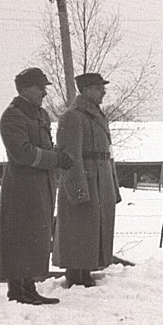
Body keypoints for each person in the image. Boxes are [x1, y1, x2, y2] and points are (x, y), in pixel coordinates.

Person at [0, 67, 72, 305]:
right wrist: (55, 159)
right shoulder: (13, 116)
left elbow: (44, 146)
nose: (44, 93)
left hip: (41, 183)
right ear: (27, 88)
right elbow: (22, 153)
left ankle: (28, 287)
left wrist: (58, 155)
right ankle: (17, 290)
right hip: (21, 184)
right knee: (20, 234)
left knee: (35, 235)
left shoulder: (39, 115)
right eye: (41, 88)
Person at [54, 72, 122, 287]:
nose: (103, 91)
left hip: (101, 178)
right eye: (98, 87)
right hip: (87, 178)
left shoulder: (97, 115)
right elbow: (70, 156)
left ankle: (86, 270)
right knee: (79, 227)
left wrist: (114, 185)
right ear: (85, 90)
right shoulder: (73, 116)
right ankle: (76, 273)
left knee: (94, 227)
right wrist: (77, 190)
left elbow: (107, 153)